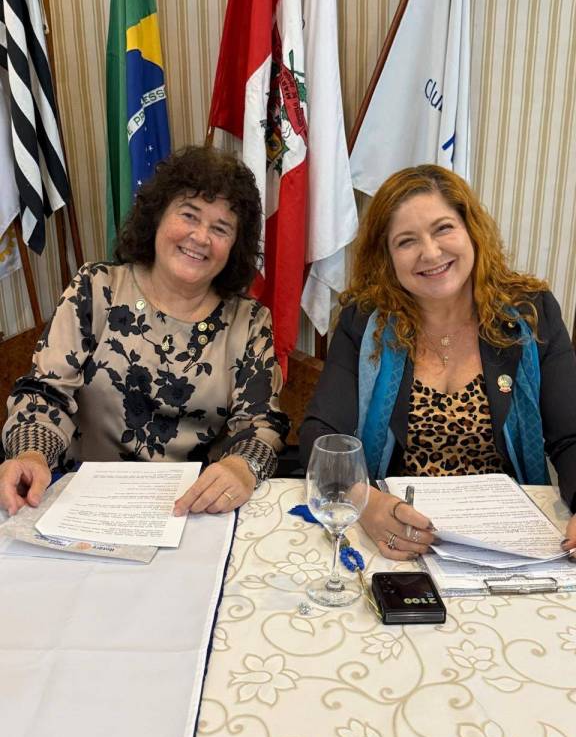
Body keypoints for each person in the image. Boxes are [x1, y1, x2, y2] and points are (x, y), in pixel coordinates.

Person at [300, 164, 576, 559]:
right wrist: (365, 502)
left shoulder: (531, 312)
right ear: (387, 257)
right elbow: (323, 436)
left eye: (443, 228)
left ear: (471, 230)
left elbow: (571, 435)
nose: (430, 252)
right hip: (401, 534)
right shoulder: (364, 320)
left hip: (506, 540)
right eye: (406, 241)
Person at [1, 145, 288, 516]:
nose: (201, 237)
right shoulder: (96, 288)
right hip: (81, 506)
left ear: (235, 246)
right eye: (189, 215)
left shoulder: (249, 321)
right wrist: (32, 454)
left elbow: (261, 424)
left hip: (193, 510)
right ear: (157, 217)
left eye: (220, 229)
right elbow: (45, 393)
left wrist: (241, 466)